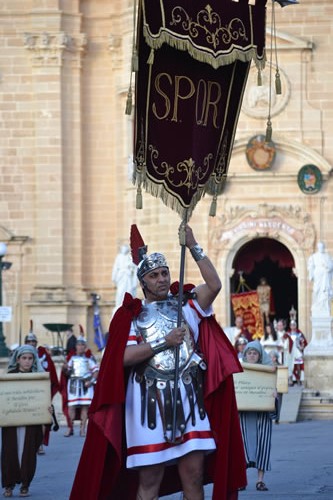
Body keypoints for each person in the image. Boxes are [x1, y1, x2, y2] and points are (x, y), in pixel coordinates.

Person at [70, 224, 247, 499]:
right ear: (144, 282)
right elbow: (122, 358)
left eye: (164, 273)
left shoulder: (186, 306)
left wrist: (193, 245)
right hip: (147, 404)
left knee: (194, 476)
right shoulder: (132, 316)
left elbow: (214, 285)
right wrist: (165, 341)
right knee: (150, 481)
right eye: (154, 275)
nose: (162, 279)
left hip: (189, 398)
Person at [1, 345, 45, 498]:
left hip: (31, 422)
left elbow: (43, 398)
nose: (27, 361)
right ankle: (8, 485)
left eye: (30, 358)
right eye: (24, 358)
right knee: (9, 453)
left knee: (28, 454)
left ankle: (25, 484)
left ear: (33, 360)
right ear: (18, 359)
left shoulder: (39, 377)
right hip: (12, 423)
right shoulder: (9, 377)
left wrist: (48, 410)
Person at [239, 341, 277, 492]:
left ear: (260, 355)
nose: (252, 355)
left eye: (255, 353)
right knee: (242, 447)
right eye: (249, 353)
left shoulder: (268, 372)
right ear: (245, 355)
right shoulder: (239, 371)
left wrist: (274, 396)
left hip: (262, 416)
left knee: (262, 446)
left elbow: (275, 391)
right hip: (244, 416)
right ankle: (242, 480)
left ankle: (260, 481)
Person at [24, 332, 60, 455]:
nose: (32, 344)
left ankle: (40, 444)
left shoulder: (43, 355)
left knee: (43, 419)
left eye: (33, 341)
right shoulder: (22, 355)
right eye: (29, 342)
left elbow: (51, 374)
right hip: (26, 392)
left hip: (42, 390)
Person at [61, 337, 99, 437]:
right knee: (71, 407)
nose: (81, 347)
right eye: (79, 345)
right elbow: (68, 372)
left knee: (85, 407)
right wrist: (64, 369)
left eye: (83, 345)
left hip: (86, 384)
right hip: (74, 384)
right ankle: (70, 428)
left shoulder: (89, 360)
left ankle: (82, 429)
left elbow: (96, 371)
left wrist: (91, 382)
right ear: (76, 346)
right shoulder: (71, 359)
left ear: (85, 347)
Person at [308, 241, 333, 317]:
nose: (321, 248)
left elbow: (331, 266)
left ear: (324, 247)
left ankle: (323, 305)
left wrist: (328, 268)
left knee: (324, 291)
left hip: (325, 276)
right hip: (318, 275)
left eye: (322, 247)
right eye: (319, 247)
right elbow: (310, 266)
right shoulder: (314, 256)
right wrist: (311, 275)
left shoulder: (328, 256)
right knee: (316, 290)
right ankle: (317, 305)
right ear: (318, 248)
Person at [112, 243, 138, 311]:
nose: (124, 249)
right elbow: (116, 267)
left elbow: (134, 266)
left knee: (128, 290)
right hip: (121, 276)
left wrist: (130, 266)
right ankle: (120, 304)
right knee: (120, 292)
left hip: (128, 276)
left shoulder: (129, 257)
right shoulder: (119, 257)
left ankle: (128, 303)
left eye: (125, 247)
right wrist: (114, 276)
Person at [275, 318, 295, 386]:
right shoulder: (274, 334)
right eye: (278, 325)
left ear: (283, 326)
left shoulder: (286, 335)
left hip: (284, 353)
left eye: (280, 325)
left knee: (285, 365)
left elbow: (289, 344)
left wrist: (284, 343)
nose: (279, 327)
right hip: (276, 353)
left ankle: (287, 380)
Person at [288, 320, 308, 385]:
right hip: (290, 353)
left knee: (298, 365)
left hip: (298, 352)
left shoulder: (299, 333)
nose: (293, 326)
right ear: (290, 326)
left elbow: (303, 341)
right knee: (290, 366)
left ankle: (298, 379)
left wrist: (302, 347)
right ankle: (290, 379)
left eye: (294, 325)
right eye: (291, 325)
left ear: (296, 326)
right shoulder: (288, 334)